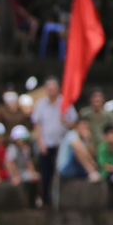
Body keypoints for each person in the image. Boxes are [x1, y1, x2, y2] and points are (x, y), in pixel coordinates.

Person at [29, 77, 72, 208]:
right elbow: (37, 125)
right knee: (45, 174)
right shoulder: (41, 103)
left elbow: (74, 122)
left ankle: (61, 201)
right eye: (49, 88)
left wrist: (65, 121)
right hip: (46, 144)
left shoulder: (65, 102)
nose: (52, 91)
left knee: (61, 173)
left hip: (61, 144)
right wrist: (41, 143)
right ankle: (46, 201)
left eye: (54, 88)